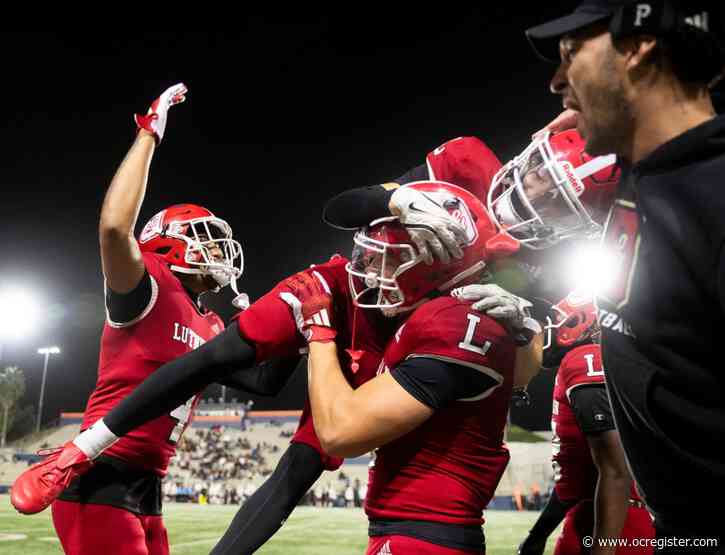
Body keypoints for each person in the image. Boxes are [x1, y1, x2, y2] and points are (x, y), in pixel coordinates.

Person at [11, 181, 542, 552]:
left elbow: (301, 409)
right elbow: (344, 208)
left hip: (365, 351)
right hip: (334, 305)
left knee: (298, 468)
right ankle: (78, 451)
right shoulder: (366, 262)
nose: (371, 264)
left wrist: (531, 333)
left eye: (387, 256)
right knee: (215, 357)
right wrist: (396, 196)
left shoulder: (458, 313)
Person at [520, 2, 725, 551]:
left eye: (570, 55)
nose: (558, 80)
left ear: (637, 47)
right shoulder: (651, 181)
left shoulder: (709, 194)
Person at [9, 84, 243, 555]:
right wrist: (148, 135)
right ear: (166, 244)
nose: (216, 249)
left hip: (150, 489)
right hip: (99, 476)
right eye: (204, 237)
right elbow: (115, 228)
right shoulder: (149, 285)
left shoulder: (213, 325)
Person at [298, 186, 528, 554]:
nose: (371, 272)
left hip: (423, 536)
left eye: (388, 258)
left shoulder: (453, 321)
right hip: (421, 531)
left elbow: (340, 433)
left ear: (435, 259)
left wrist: (320, 333)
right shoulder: (439, 315)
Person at [518, 292, 653, 555]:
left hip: (615, 524)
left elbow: (615, 469)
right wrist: (539, 534)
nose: (553, 326)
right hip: (599, 516)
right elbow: (575, 479)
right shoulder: (598, 362)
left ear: (585, 323)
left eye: (560, 318)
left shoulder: (585, 358)